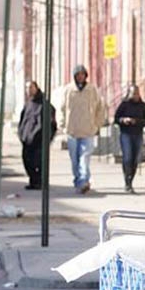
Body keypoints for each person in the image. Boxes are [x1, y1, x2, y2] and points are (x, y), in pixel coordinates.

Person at [61, 63, 106, 194]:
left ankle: (84, 181)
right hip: (72, 130)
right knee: (74, 159)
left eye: (82, 75)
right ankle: (77, 180)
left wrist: (98, 124)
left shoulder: (92, 90)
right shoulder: (69, 90)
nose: (80, 77)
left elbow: (100, 107)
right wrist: (62, 124)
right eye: (78, 75)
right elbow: (62, 108)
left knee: (84, 157)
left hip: (88, 129)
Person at [17, 81, 56, 190]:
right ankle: (33, 181)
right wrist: (21, 133)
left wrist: (46, 137)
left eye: (31, 87)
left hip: (38, 140)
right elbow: (23, 120)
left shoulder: (44, 103)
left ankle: (39, 182)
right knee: (27, 161)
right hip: (27, 139)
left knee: (38, 162)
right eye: (27, 88)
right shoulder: (29, 103)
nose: (28, 90)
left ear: (36, 88)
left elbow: (50, 123)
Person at [114, 84, 145, 193]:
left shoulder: (143, 106)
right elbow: (116, 119)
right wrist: (124, 120)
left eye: (137, 93)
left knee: (135, 159)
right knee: (128, 158)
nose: (135, 95)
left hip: (138, 134)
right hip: (126, 133)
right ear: (129, 94)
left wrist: (137, 121)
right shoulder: (124, 105)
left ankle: (131, 181)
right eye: (133, 93)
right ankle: (127, 182)